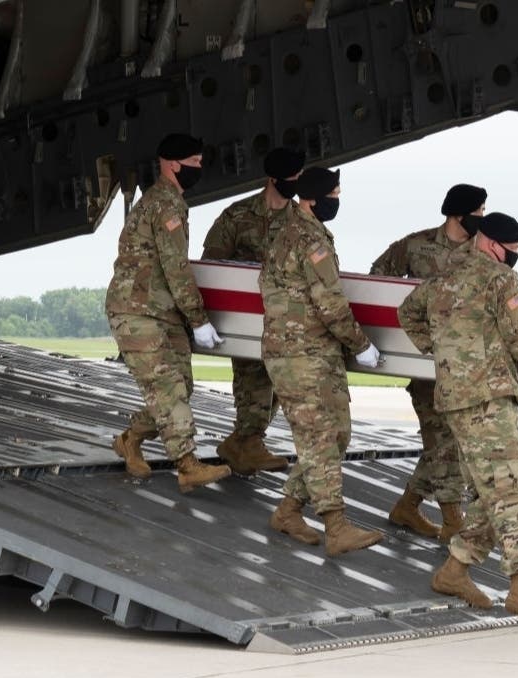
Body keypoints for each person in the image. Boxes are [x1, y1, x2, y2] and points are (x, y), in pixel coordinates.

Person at [398, 212, 518, 623]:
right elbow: (517, 339)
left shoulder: (442, 277)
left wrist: (444, 351)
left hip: (455, 397)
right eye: (511, 250)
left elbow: (407, 313)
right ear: (490, 244)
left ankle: (454, 570)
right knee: (512, 490)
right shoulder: (500, 279)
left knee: (491, 491)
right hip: (487, 397)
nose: (513, 257)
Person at [261, 166, 383, 557]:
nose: (337, 201)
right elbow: (330, 303)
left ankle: (288, 510)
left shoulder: (289, 232)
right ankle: (336, 525)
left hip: (311, 353)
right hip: (301, 355)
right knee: (320, 438)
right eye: (334, 195)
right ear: (313, 198)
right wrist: (361, 345)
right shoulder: (310, 240)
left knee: (338, 433)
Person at [105, 133, 231, 493]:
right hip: (137, 310)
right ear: (173, 164)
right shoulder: (165, 205)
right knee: (169, 388)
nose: (200, 168)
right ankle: (187, 465)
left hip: (161, 309)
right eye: (195, 163)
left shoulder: (169, 201)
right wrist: (199, 320)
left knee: (181, 387)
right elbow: (177, 269)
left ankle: (130, 439)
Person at [369, 183, 486, 541]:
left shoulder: (483, 252)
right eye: (478, 212)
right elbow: (377, 279)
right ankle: (453, 520)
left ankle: (408, 506)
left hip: (463, 365)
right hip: (425, 365)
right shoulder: (415, 246)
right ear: (458, 214)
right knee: (443, 442)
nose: (482, 218)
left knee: (448, 442)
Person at [201, 147, 305, 476]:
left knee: (280, 383)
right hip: (244, 318)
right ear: (273, 178)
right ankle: (250, 443)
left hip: (285, 320)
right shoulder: (237, 216)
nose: (296, 182)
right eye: (292, 177)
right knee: (254, 379)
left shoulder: (302, 221)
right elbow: (211, 265)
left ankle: (241, 443)